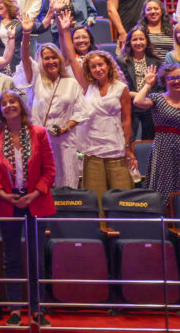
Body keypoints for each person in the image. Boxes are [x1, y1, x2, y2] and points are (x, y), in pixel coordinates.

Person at [0, 90, 56, 327]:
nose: (8, 105)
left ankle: (37, 309)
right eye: (4, 103)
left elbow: (49, 170)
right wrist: (3, 194)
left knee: (36, 259)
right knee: (11, 258)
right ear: (0, 111)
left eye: (12, 101)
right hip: (8, 202)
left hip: (36, 202)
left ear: (21, 106)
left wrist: (35, 193)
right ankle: (15, 309)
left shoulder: (39, 133)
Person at [66, 21, 135, 205]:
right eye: (93, 67)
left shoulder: (121, 88)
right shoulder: (88, 87)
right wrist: (64, 30)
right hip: (92, 149)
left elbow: (126, 120)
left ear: (109, 65)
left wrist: (128, 147)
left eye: (100, 65)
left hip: (115, 148)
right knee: (95, 199)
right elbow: (72, 59)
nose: (98, 69)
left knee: (121, 198)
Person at [17, 14, 84, 188]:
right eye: (46, 58)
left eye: (54, 57)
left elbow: (80, 112)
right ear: (40, 61)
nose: (51, 61)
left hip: (66, 141)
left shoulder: (71, 83)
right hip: (40, 140)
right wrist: (26, 33)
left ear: (60, 60)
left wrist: (65, 128)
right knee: (42, 186)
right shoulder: (35, 78)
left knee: (67, 185)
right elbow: (25, 58)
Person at [133, 63, 180, 207]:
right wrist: (148, 84)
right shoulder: (157, 99)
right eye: (171, 78)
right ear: (164, 81)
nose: (176, 81)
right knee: (163, 189)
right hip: (163, 150)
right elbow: (138, 101)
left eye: (179, 77)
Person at [118, 27, 156, 141]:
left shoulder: (156, 61)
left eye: (141, 39)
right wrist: (134, 95)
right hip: (129, 104)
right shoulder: (121, 61)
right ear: (129, 42)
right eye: (135, 39)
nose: (138, 42)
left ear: (146, 41)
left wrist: (149, 99)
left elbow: (160, 87)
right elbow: (118, 85)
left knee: (149, 140)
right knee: (129, 139)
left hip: (149, 104)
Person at [138, 0, 175, 64]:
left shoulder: (173, 29)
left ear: (161, 11)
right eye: (149, 9)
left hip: (170, 66)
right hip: (148, 66)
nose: (153, 12)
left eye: (156, 9)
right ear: (144, 13)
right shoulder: (140, 30)